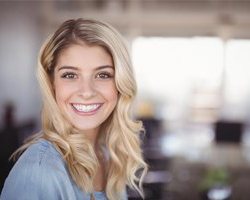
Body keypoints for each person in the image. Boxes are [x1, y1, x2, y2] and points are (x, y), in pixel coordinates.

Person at [0, 18, 147, 200]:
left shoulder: (108, 155)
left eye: (103, 75)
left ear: (120, 83)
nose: (86, 92)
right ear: (52, 83)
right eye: (70, 75)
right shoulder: (39, 171)